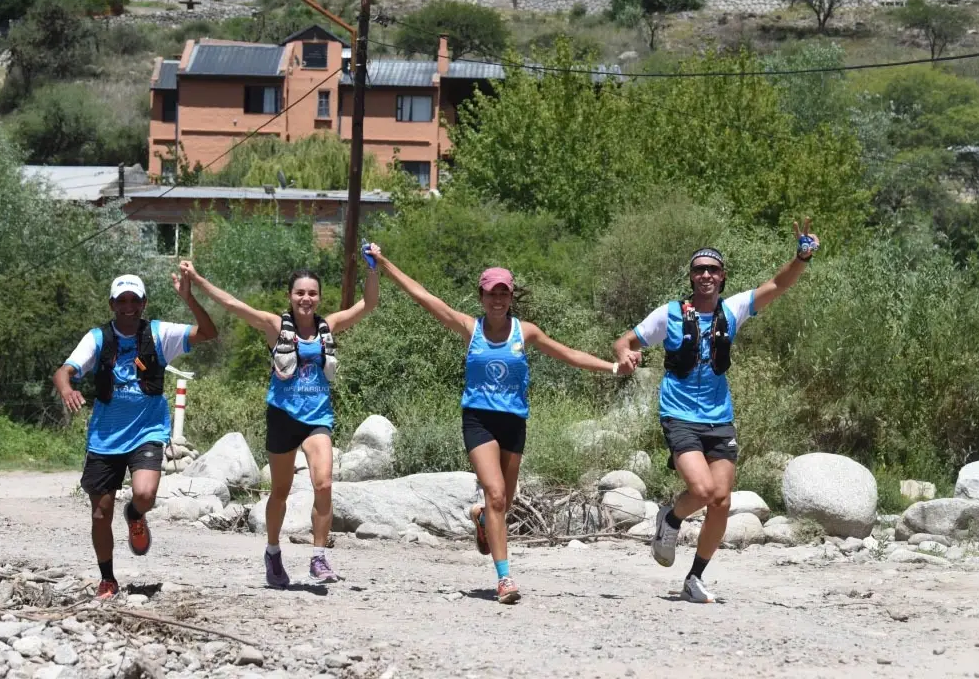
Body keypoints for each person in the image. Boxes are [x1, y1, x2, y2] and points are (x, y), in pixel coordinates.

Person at [369, 245, 636, 605]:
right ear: (481, 296)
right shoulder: (469, 327)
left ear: (511, 297)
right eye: (491, 293)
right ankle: (505, 578)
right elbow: (423, 296)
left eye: (503, 293)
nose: (497, 299)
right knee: (495, 494)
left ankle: (481, 519)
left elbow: (569, 354)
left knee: (503, 502)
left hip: (514, 422)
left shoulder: (525, 333)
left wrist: (613, 367)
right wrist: (384, 263)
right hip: (479, 419)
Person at [613, 220, 820, 603]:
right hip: (678, 414)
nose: (705, 275)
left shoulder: (733, 309)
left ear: (722, 277)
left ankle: (694, 577)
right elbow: (624, 339)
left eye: (712, 269)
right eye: (699, 269)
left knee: (722, 500)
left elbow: (778, 285)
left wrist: (802, 256)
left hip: (718, 417)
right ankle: (670, 518)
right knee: (704, 490)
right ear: (691, 277)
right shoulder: (670, 314)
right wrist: (625, 354)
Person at [177, 258, 378, 587]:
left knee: (324, 483)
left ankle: (318, 557)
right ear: (290, 296)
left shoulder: (330, 325)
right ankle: (272, 551)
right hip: (282, 417)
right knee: (280, 492)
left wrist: (372, 269)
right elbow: (232, 303)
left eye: (312, 293)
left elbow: (369, 303)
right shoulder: (274, 326)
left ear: (319, 298)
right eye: (300, 293)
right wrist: (197, 279)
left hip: (317, 419)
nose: (306, 299)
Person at [53, 272, 217, 600]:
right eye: (122, 300)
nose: (128, 306)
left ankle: (135, 515)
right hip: (105, 437)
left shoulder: (158, 333)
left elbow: (209, 332)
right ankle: (108, 579)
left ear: (143, 303)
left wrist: (188, 297)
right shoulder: (98, 338)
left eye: (134, 300)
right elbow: (63, 371)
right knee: (100, 513)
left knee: (144, 494)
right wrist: (67, 388)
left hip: (147, 430)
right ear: (112, 304)